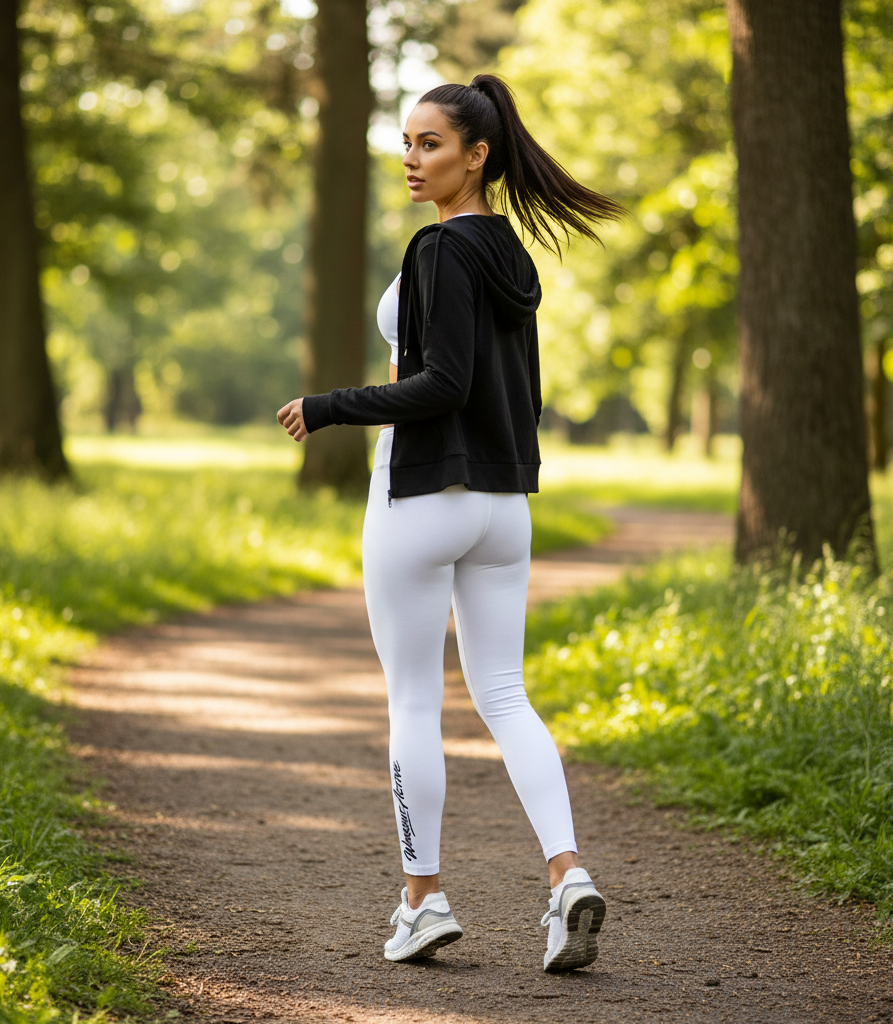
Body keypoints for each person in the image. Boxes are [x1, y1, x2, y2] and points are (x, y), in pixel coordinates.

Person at [278, 74, 623, 972]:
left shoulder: (440, 252)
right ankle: (567, 874)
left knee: (413, 701)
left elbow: (445, 385)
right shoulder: (513, 256)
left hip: (422, 498)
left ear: (477, 155)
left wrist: (329, 407)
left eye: (430, 144)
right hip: (504, 508)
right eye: (405, 142)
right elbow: (518, 394)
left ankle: (422, 901)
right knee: (506, 696)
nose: (410, 159)